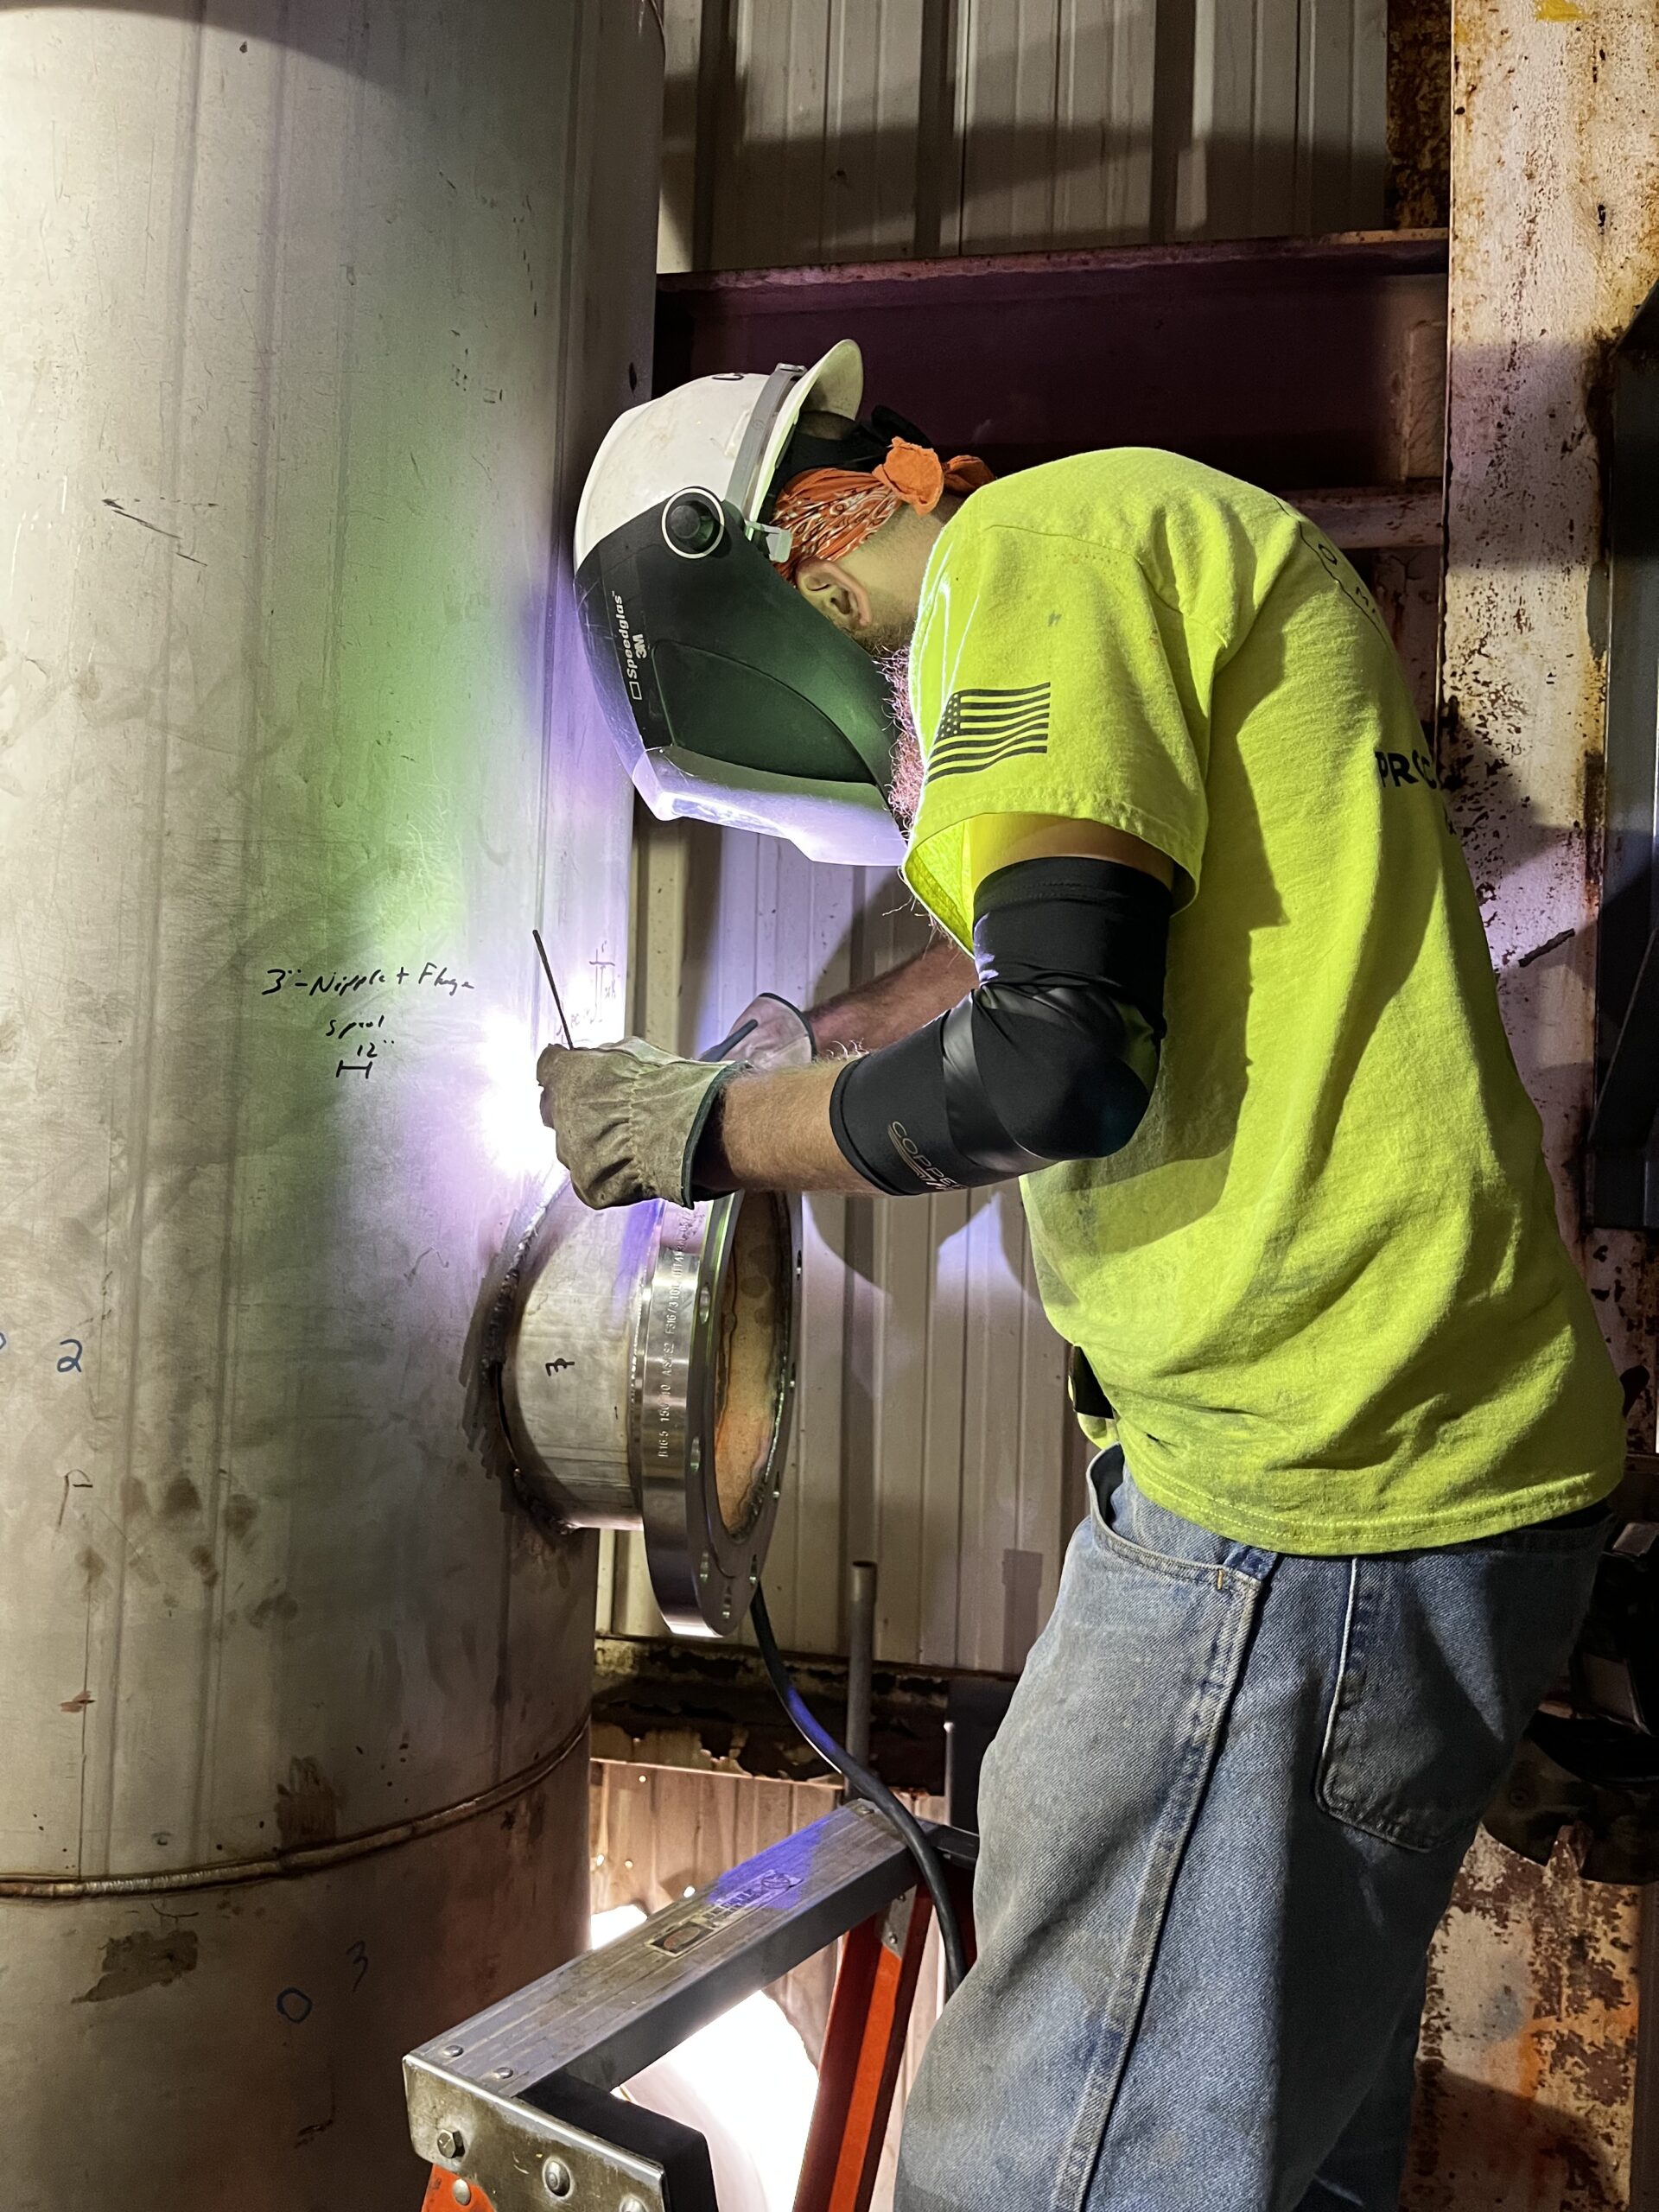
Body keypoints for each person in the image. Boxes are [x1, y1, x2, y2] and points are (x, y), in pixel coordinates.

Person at [543, 343, 1624, 2211]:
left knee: (1049, 2163)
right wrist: (774, 1059)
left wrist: (713, 1138)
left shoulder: (1022, 554)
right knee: (1262, 2136)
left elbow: (1052, 1059)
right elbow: (1008, 956)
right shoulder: (1133, 532)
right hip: (1403, 1464)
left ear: (799, 568)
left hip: (1305, 1492)